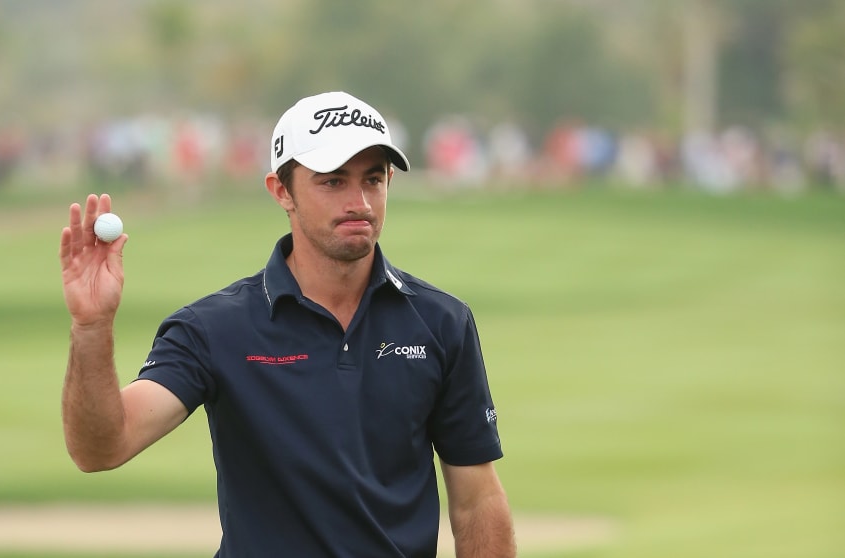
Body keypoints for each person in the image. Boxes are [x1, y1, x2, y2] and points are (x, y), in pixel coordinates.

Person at [59, 91, 516, 557]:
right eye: (333, 182)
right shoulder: (214, 328)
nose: (359, 202)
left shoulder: (441, 322)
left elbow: (476, 499)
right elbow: (101, 449)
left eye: (372, 180)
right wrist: (92, 328)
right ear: (281, 191)